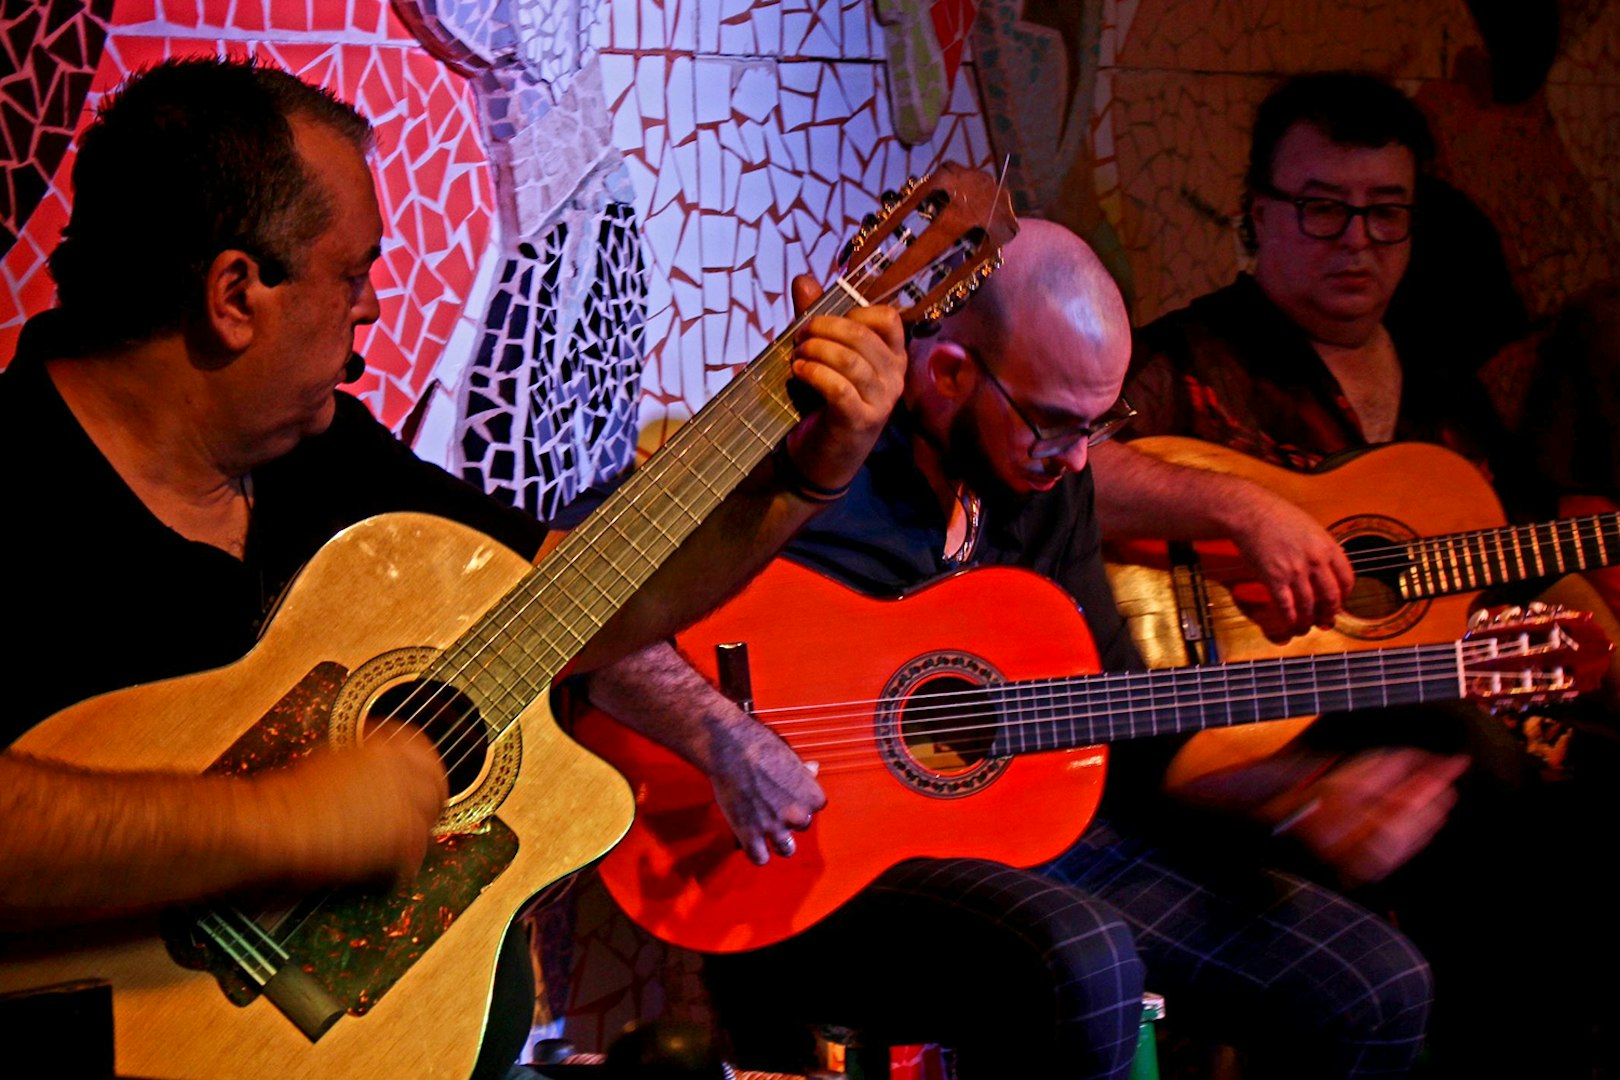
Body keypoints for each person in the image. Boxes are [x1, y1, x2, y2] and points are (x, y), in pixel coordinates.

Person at [0, 55, 905, 1076]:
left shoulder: (322, 453)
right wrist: (289, 820)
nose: (373, 309)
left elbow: (589, 600)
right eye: (352, 274)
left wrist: (800, 475)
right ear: (236, 295)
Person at [585, 219, 1438, 1080]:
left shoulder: (1047, 490)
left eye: (1096, 427)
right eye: (1055, 424)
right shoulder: (813, 451)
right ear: (950, 373)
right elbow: (585, 610)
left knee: (1376, 985)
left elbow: (1130, 728)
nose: (1077, 460)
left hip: (1026, 854)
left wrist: (1299, 794)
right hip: (803, 871)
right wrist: (725, 738)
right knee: (1081, 956)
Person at [1099, 70, 1618, 1078]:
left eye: (1386, 214)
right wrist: (1239, 509)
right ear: (1258, 214)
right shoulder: (1186, 359)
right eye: (1323, 209)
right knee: (1483, 770)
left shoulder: (1443, 392)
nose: (1358, 242)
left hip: (1422, 723)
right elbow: (1062, 473)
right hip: (1233, 729)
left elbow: (1517, 549)